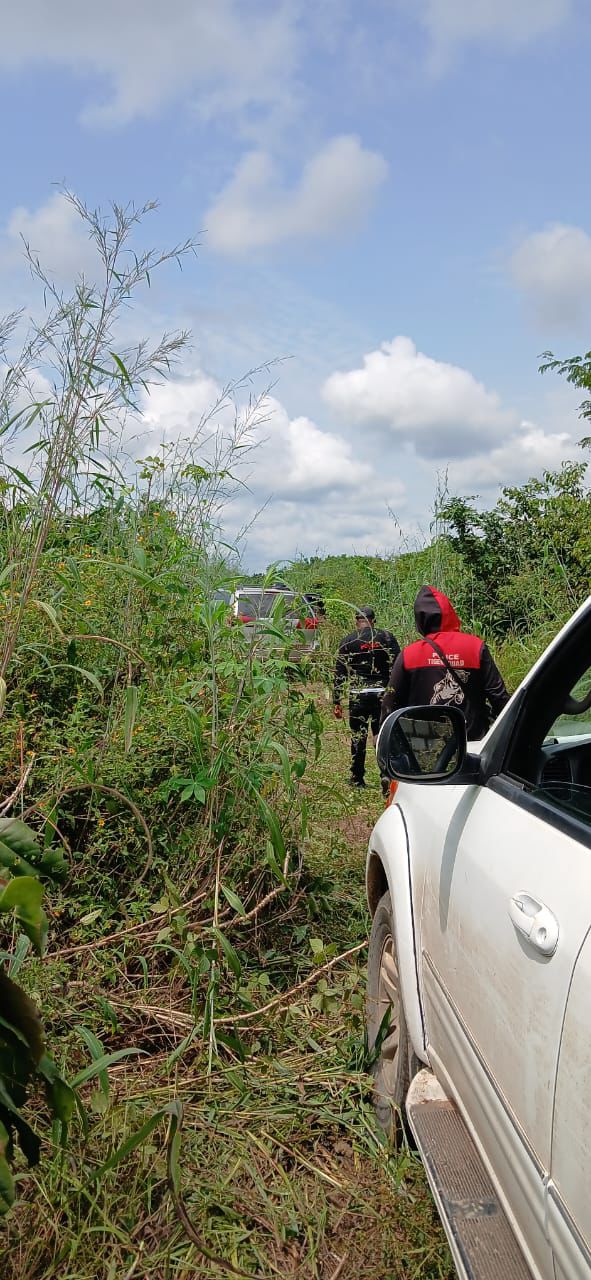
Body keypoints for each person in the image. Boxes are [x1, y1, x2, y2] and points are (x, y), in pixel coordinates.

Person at [380, 585, 509, 739]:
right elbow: (499, 697)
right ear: (450, 613)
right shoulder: (475, 647)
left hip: (425, 746)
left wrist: (385, 739)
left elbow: (390, 702)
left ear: (420, 619)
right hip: (472, 743)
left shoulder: (410, 654)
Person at [334, 607, 400, 787]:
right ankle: (386, 773)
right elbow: (398, 666)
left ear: (357, 622)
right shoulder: (386, 637)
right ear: (374, 621)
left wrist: (336, 701)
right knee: (382, 734)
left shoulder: (349, 640)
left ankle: (357, 777)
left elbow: (340, 673)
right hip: (382, 696)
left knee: (358, 736)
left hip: (358, 697)